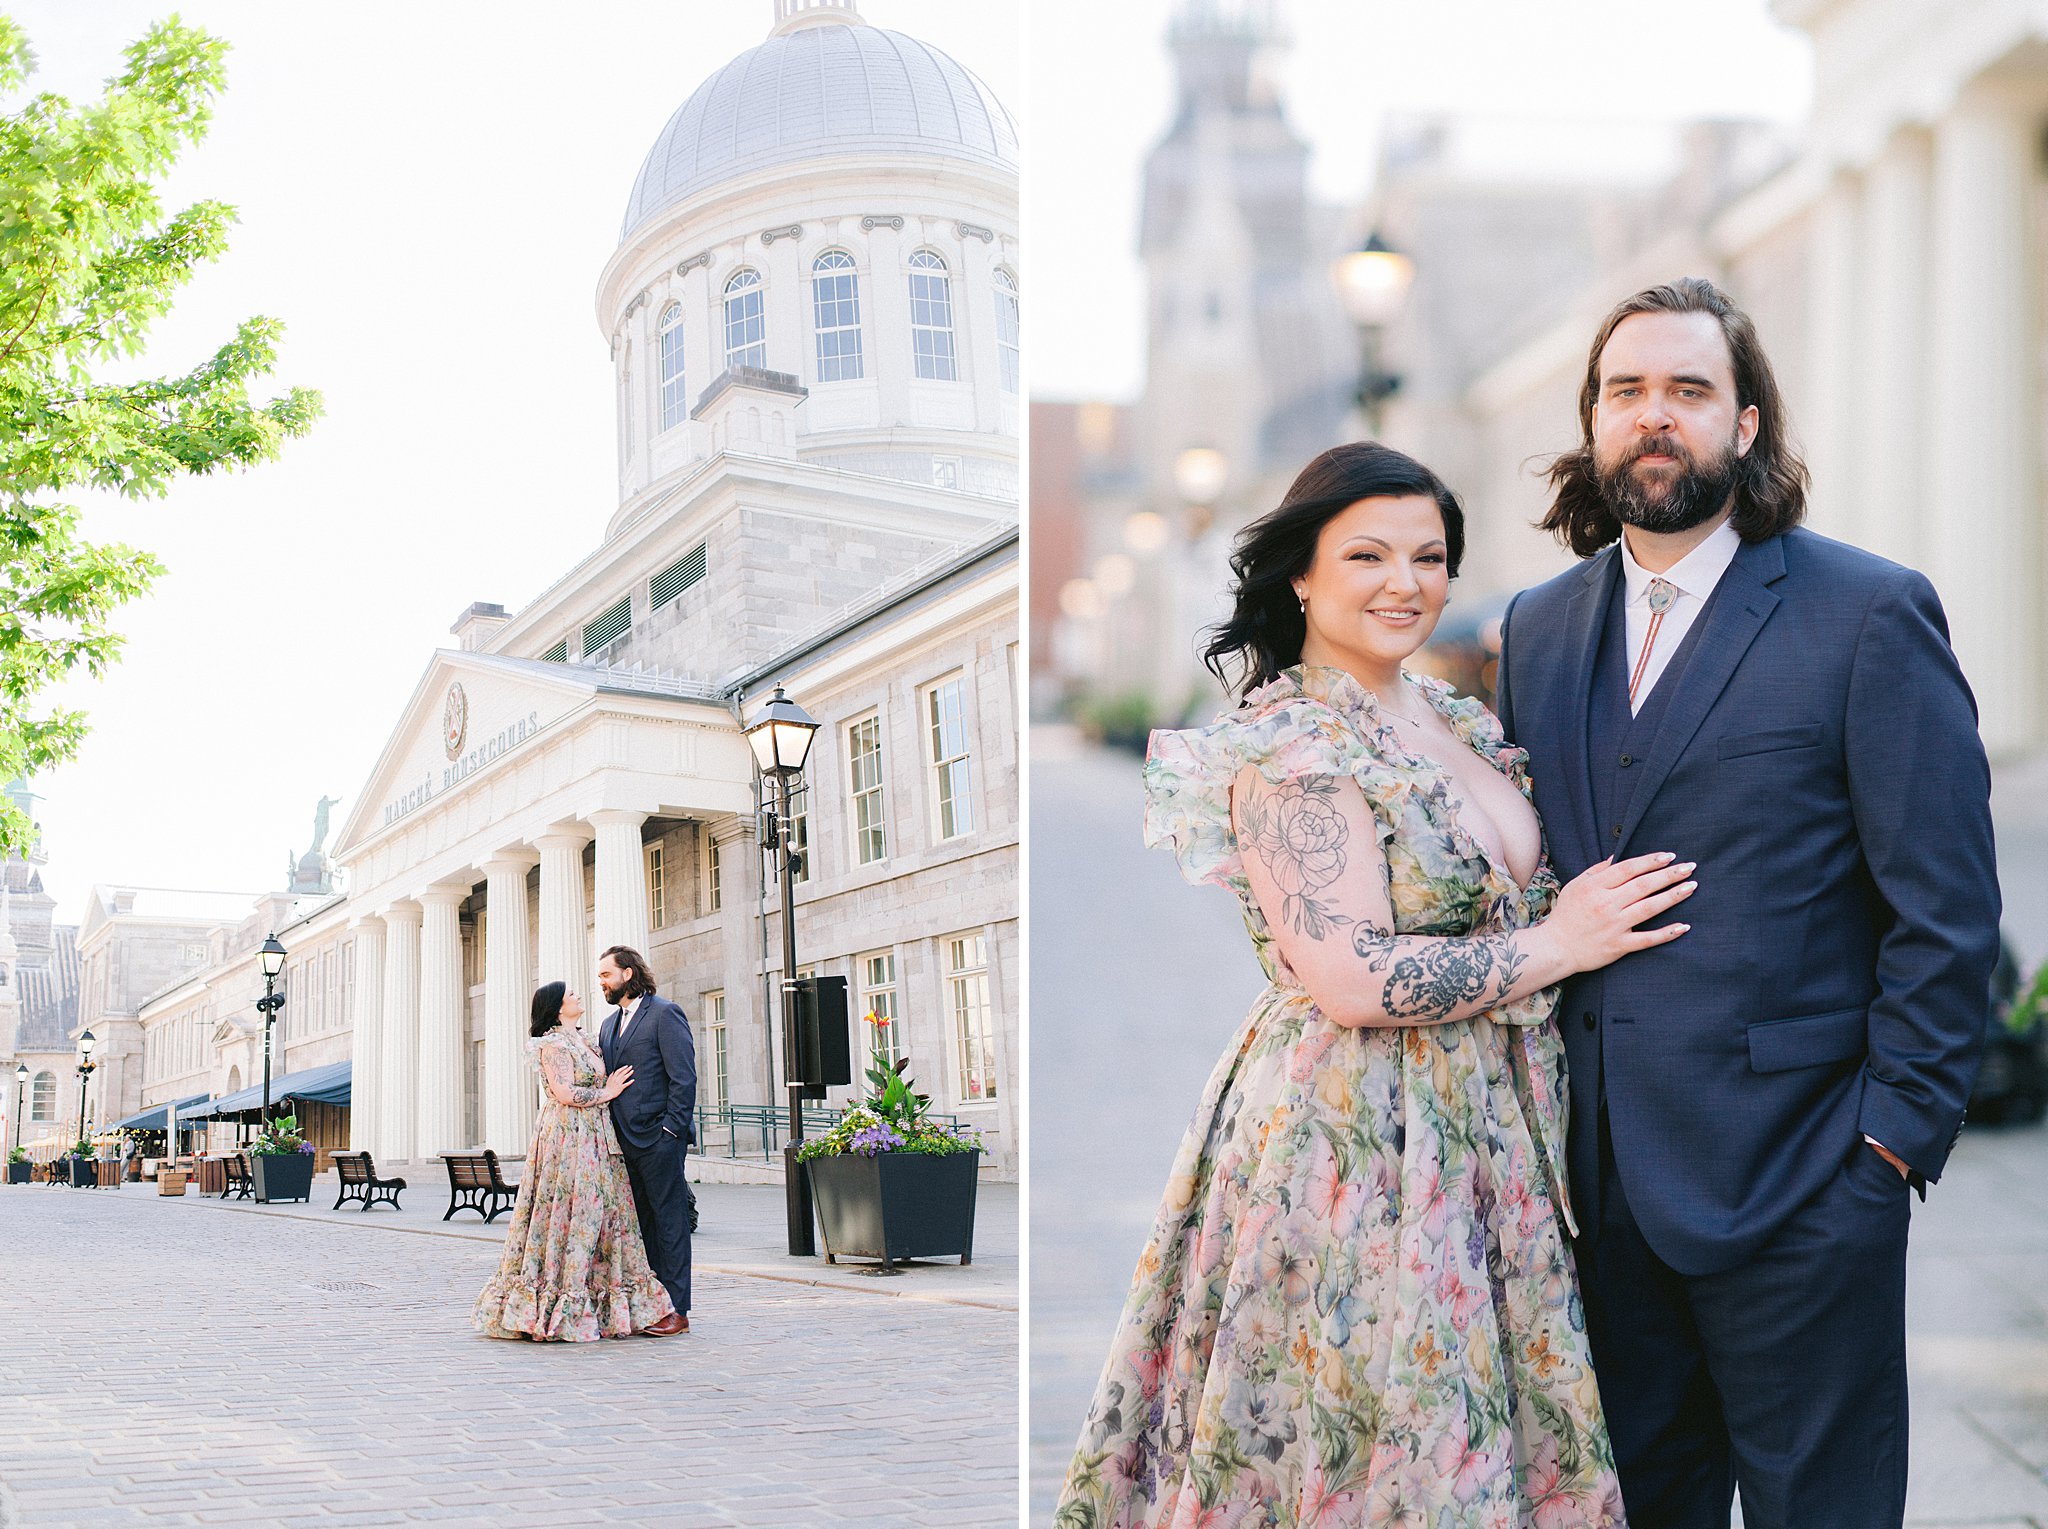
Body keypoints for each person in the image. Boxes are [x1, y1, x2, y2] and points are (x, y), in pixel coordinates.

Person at [1056, 441, 1698, 1528]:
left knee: (1480, 1430)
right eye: (1366, 554)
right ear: (1299, 574)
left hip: (1493, 1128)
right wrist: (1560, 943)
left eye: (1428, 555)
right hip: (1361, 1133)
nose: (1404, 582)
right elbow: (1350, 974)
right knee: (1378, 1431)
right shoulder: (1287, 740)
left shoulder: (1450, 718)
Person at [1495, 277, 2001, 1528]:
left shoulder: (1865, 611)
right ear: (1591, 424)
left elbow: (1944, 909)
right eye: (1625, 392)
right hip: (1592, 1192)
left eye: (1686, 390)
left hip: (1802, 1178)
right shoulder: (1537, 628)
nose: (1652, 415)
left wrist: (1885, 1147)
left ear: (1747, 422)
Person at [473, 982, 679, 1341]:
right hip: (568, 1136)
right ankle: (557, 1303)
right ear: (556, 1006)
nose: (578, 996)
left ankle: (605, 1303)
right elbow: (565, 1092)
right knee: (573, 1210)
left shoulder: (587, 1039)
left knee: (604, 1212)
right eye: (570, 994)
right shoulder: (552, 1043)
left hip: (597, 1134)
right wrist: (608, 1092)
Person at [596, 944, 695, 1334]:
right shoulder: (607, 1025)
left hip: (658, 1140)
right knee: (641, 1228)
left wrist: (671, 1131)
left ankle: (678, 1310)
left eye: (606, 974)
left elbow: (683, 1077)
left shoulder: (665, 1014)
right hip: (622, 1145)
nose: (601, 982)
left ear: (628, 974)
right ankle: (651, 1306)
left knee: (670, 1224)